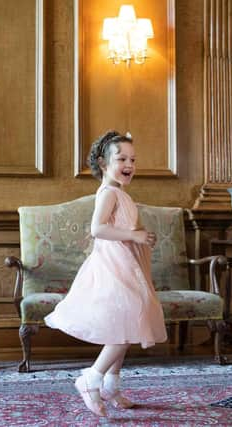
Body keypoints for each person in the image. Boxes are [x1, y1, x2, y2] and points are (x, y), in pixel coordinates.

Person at [44, 130, 167, 417]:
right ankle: (91, 378)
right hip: (113, 265)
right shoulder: (108, 193)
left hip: (127, 262)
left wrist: (142, 237)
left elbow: (126, 227)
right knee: (130, 317)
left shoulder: (121, 193)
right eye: (121, 158)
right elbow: (97, 229)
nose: (129, 164)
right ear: (103, 163)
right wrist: (133, 236)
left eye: (133, 159)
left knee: (125, 323)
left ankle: (111, 385)